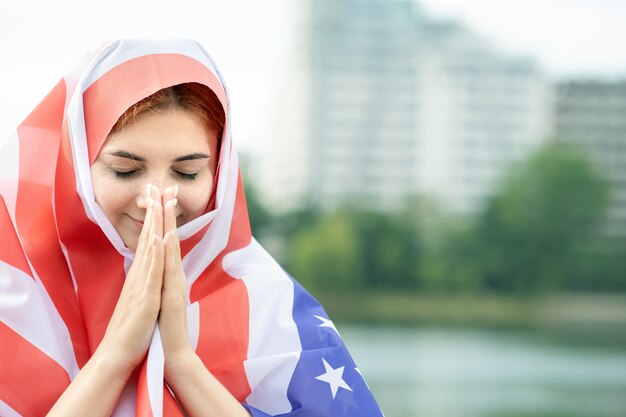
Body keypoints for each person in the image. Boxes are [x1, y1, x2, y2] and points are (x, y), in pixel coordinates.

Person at [0, 39, 384, 416]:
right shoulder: (14, 290)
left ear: (219, 176)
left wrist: (182, 363)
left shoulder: (271, 307)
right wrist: (114, 357)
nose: (157, 198)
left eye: (187, 173)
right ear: (77, 168)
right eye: (125, 170)